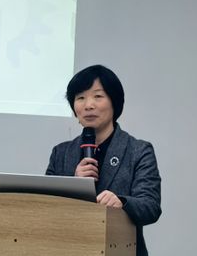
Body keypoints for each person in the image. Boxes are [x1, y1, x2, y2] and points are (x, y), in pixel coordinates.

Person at [45, 65, 161, 256]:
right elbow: (47, 209)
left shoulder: (138, 150)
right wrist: (74, 184)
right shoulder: (61, 153)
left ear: (114, 102)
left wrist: (122, 202)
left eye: (98, 96)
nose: (88, 105)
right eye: (80, 98)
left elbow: (150, 207)